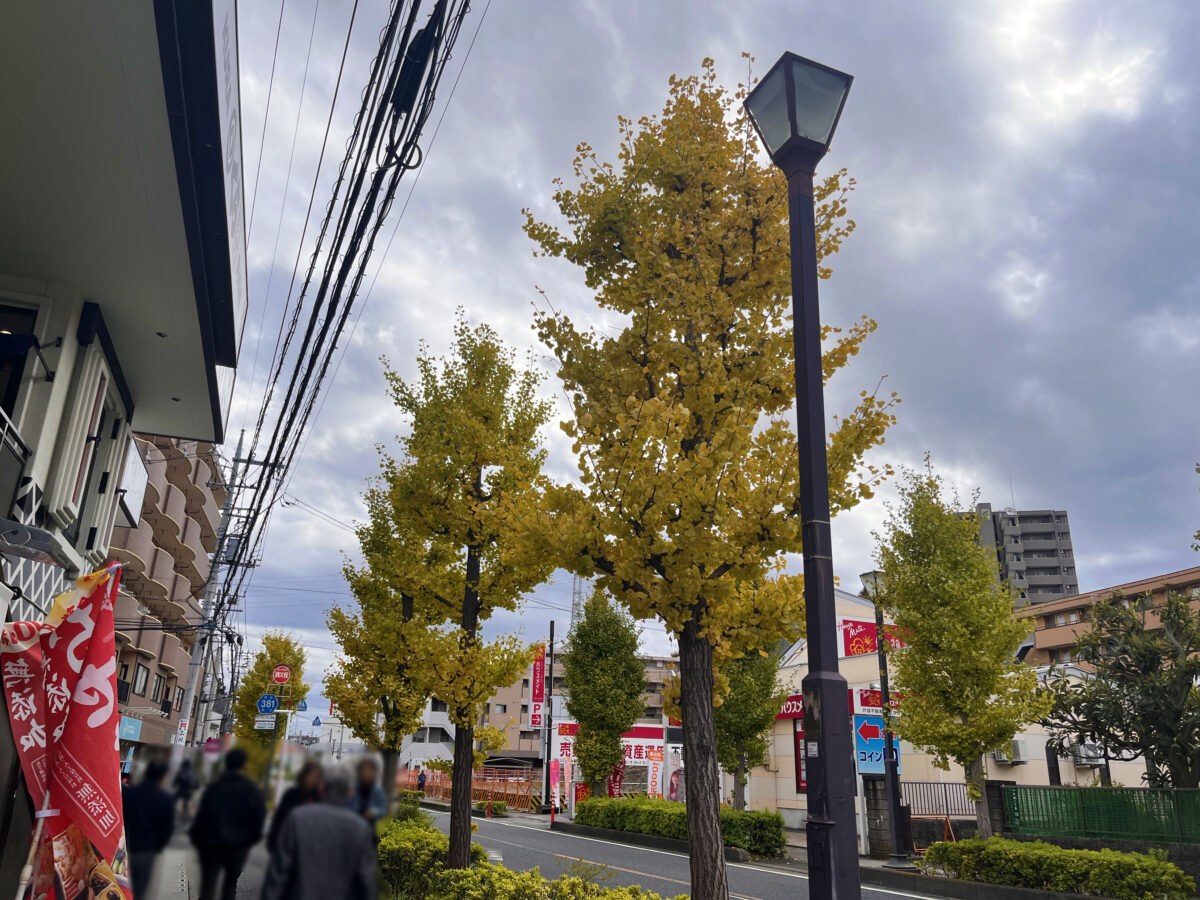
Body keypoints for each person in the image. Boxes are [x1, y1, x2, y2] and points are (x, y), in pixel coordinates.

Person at [260, 765, 376, 900]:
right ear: (350, 793)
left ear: (321, 789)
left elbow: (278, 872)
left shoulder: (297, 818)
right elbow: (366, 882)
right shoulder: (361, 828)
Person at [188, 748, 266, 900]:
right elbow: (258, 821)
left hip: (211, 846)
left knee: (207, 887)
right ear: (243, 766)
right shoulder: (252, 790)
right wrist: (247, 842)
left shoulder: (214, 788)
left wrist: (198, 841)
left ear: (227, 764)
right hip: (238, 848)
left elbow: (201, 818)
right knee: (230, 887)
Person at [122, 761, 174, 899]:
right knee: (140, 889)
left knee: (121, 885)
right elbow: (167, 831)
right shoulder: (166, 799)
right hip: (147, 852)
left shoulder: (128, 792)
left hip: (124, 849)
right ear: (163, 778)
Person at [267, 760, 322, 854]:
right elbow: (279, 819)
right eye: (310, 776)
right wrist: (272, 842)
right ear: (303, 776)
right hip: (286, 845)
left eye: (316, 777)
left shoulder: (319, 799)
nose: (311, 780)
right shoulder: (291, 794)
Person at [348, 757, 386, 825]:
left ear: (374, 773)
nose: (366, 773)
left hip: (369, 825)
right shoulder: (354, 788)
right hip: (353, 824)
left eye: (369, 770)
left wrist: (374, 812)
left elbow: (383, 810)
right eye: (363, 770)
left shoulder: (378, 790)